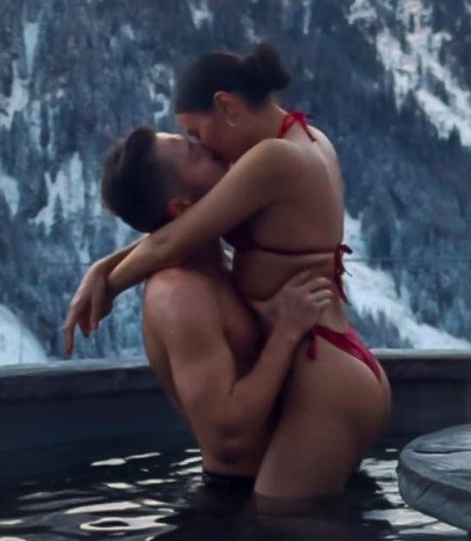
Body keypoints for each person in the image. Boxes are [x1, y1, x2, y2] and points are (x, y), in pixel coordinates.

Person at [64, 43, 391, 499]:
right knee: (306, 538)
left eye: (197, 135)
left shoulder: (272, 158)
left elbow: (175, 238)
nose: (206, 148)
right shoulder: (306, 139)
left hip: (324, 375)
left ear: (226, 107)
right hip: (332, 363)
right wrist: (105, 266)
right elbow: (187, 227)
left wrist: (109, 283)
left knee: (284, 537)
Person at [75, 126, 334, 488]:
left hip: (288, 485)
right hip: (245, 512)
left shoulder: (223, 264)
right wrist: (286, 332)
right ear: (181, 206)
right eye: (198, 155)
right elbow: (228, 440)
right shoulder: (179, 294)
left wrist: (106, 268)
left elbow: (172, 239)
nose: (213, 150)